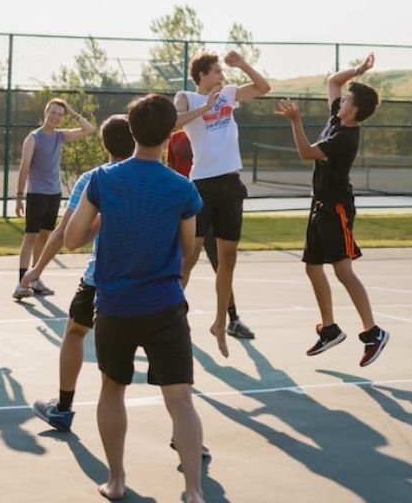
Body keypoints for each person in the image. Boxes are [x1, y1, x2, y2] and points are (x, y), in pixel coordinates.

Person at [63, 94, 206, 503]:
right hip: (163, 304)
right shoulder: (182, 188)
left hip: (114, 305)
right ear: (171, 133)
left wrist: (105, 220)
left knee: (113, 389)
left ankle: (117, 480)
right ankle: (194, 491)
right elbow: (188, 251)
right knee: (180, 400)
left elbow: (72, 239)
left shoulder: (103, 180)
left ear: (130, 129)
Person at [274, 53, 389, 367]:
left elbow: (305, 153)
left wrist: (296, 121)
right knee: (313, 267)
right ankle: (330, 329)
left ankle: (373, 332)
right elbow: (334, 81)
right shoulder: (337, 118)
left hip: (337, 208)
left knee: (343, 270)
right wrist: (360, 70)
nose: (341, 99)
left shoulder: (344, 137)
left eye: (347, 98)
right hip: (320, 205)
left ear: (355, 109)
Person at [29, 114, 134, 433]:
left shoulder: (95, 178)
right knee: (163, 358)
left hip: (102, 278)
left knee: (75, 332)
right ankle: (186, 433)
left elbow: (65, 232)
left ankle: (63, 408)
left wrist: (36, 268)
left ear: (104, 143)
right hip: (152, 283)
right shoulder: (160, 177)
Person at [173, 50, 270, 355]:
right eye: (216, 71)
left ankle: (220, 321)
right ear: (202, 75)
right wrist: (205, 108)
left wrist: (241, 64)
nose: (221, 76)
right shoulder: (186, 96)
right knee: (188, 256)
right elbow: (173, 124)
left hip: (230, 183)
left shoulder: (229, 94)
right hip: (201, 185)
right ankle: (170, 315)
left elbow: (263, 88)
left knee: (227, 259)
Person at [167, 129, 251, 338]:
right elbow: (171, 170)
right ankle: (169, 315)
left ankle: (231, 318)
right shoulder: (175, 138)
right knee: (187, 259)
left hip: (215, 202)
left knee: (222, 261)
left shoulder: (216, 132)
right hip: (191, 205)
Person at [13, 97, 95, 299]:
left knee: (44, 236)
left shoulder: (60, 136)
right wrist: (19, 196)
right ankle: (22, 282)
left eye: (60, 114)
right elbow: (24, 167)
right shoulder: (33, 138)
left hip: (53, 194)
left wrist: (72, 111)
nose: (55, 117)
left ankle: (36, 277)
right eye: (53, 112)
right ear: (45, 112)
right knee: (30, 237)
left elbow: (88, 130)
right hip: (36, 194)